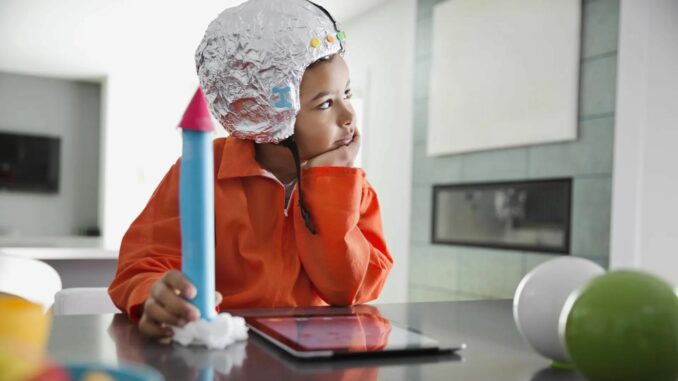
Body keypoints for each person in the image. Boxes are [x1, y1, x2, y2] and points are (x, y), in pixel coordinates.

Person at [108, 0, 393, 339]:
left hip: (316, 357)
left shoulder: (351, 186)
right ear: (269, 114)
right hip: (225, 348)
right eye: (326, 104)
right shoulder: (203, 171)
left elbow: (349, 289)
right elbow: (140, 264)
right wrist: (153, 293)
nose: (349, 115)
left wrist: (329, 186)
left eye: (347, 93)